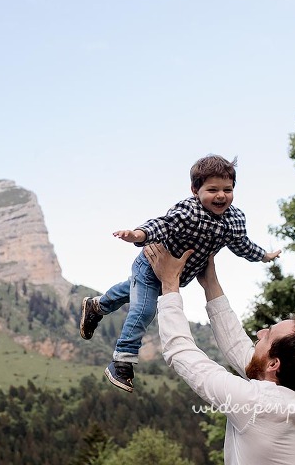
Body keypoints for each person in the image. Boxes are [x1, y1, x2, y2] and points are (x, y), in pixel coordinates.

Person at [79, 154, 281, 392]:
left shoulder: (234, 219)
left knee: (128, 290)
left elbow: (242, 244)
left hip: (177, 274)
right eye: (212, 189)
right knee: (144, 309)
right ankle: (122, 360)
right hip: (151, 264)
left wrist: (263, 256)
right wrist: (138, 235)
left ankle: (96, 305)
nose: (220, 196)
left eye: (227, 189)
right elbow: (162, 225)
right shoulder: (187, 211)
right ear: (195, 190)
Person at [145, 242, 295, 465]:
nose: (260, 332)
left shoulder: (256, 405)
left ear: (274, 364)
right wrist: (210, 283)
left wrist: (169, 284)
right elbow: (243, 353)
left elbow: (181, 351)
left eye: (268, 334)